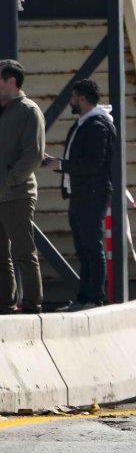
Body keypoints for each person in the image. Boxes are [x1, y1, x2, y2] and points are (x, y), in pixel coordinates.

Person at [44, 79, 115, 310]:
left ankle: (95, 298)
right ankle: (83, 297)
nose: (71, 102)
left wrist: (62, 165)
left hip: (93, 195)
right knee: (83, 248)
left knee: (93, 248)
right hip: (78, 195)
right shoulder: (82, 124)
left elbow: (93, 164)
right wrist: (55, 163)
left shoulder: (97, 125)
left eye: (73, 97)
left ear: (82, 99)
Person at [0, 60, 45, 314]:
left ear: (11, 82)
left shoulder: (29, 111)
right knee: (0, 256)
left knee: (23, 252)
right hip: (1, 194)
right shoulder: (3, 111)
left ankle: (31, 305)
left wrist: (9, 181)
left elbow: (34, 154)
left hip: (17, 194)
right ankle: (6, 303)